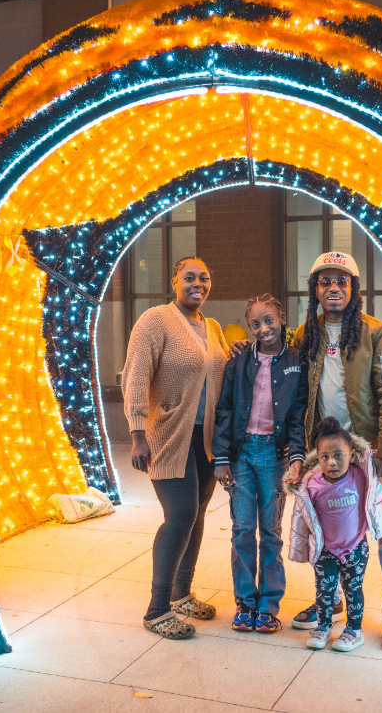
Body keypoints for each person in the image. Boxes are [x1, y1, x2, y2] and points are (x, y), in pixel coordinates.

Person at [283, 250, 382, 651]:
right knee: (329, 533)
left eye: (342, 281)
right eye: (325, 281)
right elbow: (295, 397)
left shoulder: (375, 332)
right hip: (326, 457)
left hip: (368, 452)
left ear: (354, 289)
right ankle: (330, 603)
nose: (333, 288)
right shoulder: (305, 334)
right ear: (315, 289)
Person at [122, 256, 229, 639]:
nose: (197, 283)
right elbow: (136, 377)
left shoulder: (213, 327)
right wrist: (137, 433)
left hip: (206, 439)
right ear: (174, 282)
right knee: (180, 514)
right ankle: (157, 609)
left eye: (204, 277)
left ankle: (182, 594)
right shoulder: (155, 321)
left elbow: (224, 374)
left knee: (197, 513)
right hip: (167, 435)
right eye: (189, 277)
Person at [211, 294, 308, 634]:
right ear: (249, 326)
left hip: (274, 456)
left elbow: (298, 416)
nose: (263, 328)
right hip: (241, 455)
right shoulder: (238, 361)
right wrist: (220, 457)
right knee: (241, 530)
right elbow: (224, 409)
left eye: (269, 320)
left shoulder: (297, 360)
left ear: (281, 318)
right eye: (256, 323)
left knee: (271, 531)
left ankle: (268, 604)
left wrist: (297, 457)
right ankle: (245, 602)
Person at [286, 417, 382, 652]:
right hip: (325, 550)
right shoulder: (312, 485)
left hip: (355, 547)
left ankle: (355, 630)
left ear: (351, 454)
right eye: (325, 457)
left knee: (353, 589)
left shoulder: (359, 474)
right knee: (324, 591)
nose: (332, 462)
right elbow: (303, 515)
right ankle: (323, 627)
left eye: (338, 455)